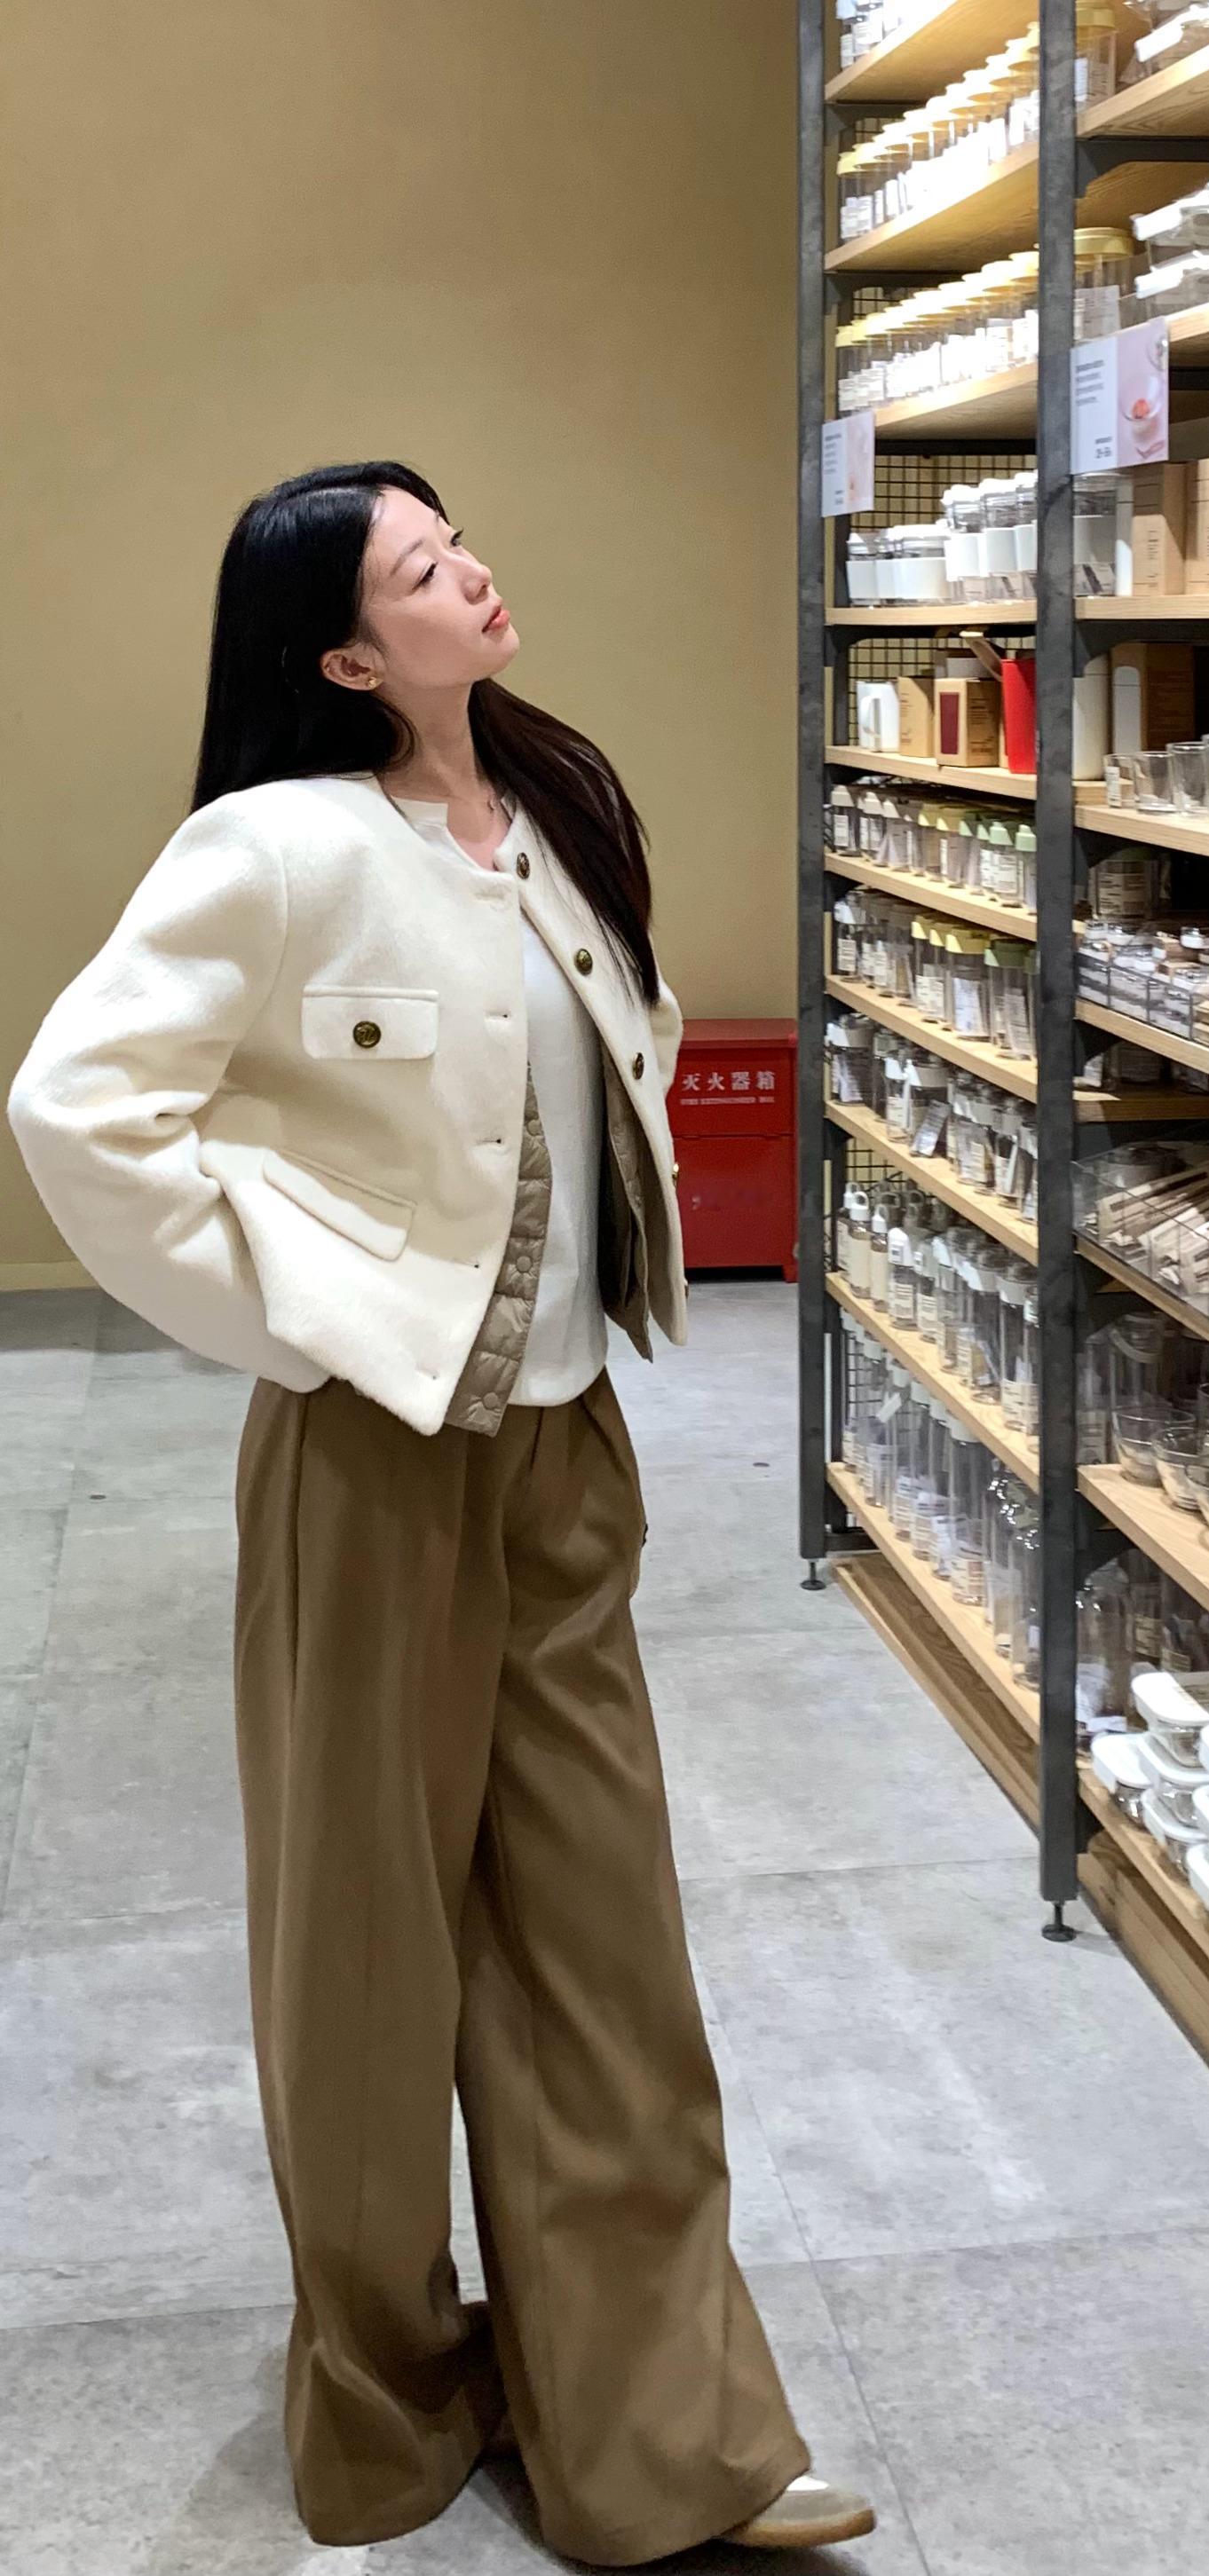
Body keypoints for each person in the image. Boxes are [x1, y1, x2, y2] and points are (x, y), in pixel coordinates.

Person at [6, 461, 873, 2565]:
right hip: (371, 1462)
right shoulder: (274, 849)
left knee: (606, 1948)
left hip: (565, 1456)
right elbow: (80, 1110)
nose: (471, 571)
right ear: (339, 651)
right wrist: (298, 1315)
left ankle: (655, 2434)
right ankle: (387, 2399)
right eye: (419, 567)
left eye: (455, 537)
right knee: (369, 1960)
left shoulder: (550, 811)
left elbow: (618, 1064)